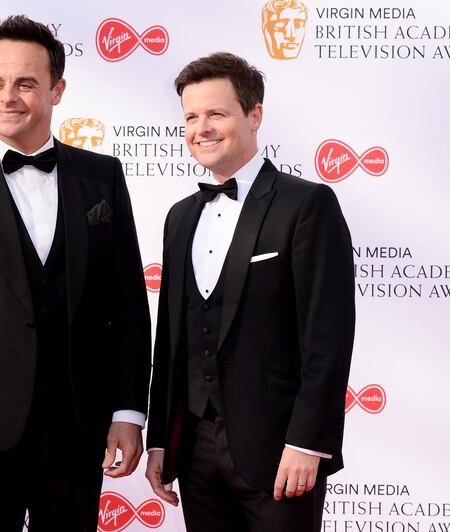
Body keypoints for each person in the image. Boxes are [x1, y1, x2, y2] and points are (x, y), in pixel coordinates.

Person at [0, 15, 151, 532]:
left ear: (58, 90)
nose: (7, 96)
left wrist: (128, 412)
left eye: (25, 83)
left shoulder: (102, 176)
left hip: (80, 430)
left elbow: (127, 305)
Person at [145, 52, 355, 532]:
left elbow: (328, 336)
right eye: (191, 116)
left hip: (280, 451)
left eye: (216, 113)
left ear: (254, 115)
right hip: (195, 449)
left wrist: (308, 443)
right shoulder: (180, 217)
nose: (202, 128)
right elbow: (171, 340)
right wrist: (160, 439)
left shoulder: (306, 205)